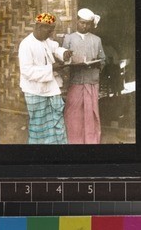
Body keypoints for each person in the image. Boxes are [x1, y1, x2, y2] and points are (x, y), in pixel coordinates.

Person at [18, 12, 72, 144]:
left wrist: (64, 53)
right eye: (49, 31)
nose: (50, 34)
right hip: (35, 91)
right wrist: (51, 69)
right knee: (39, 125)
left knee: (56, 120)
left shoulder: (46, 40)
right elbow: (27, 71)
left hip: (50, 89)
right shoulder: (26, 45)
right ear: (37, 27)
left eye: (52, 31)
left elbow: (56, 47)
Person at [62, 8, 105, 144]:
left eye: (87, 24)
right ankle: (75, 141)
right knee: (73, 112)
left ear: (91, 24)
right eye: (82, 23)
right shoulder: (68, 38)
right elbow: (63, 59)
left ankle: (91, 141)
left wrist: (97, 64)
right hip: (75, 81)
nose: (84, 26)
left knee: (91, 112)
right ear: (77, 22)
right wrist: (71, 61)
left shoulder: (96, 40)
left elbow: (102, 59)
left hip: (91, 81)